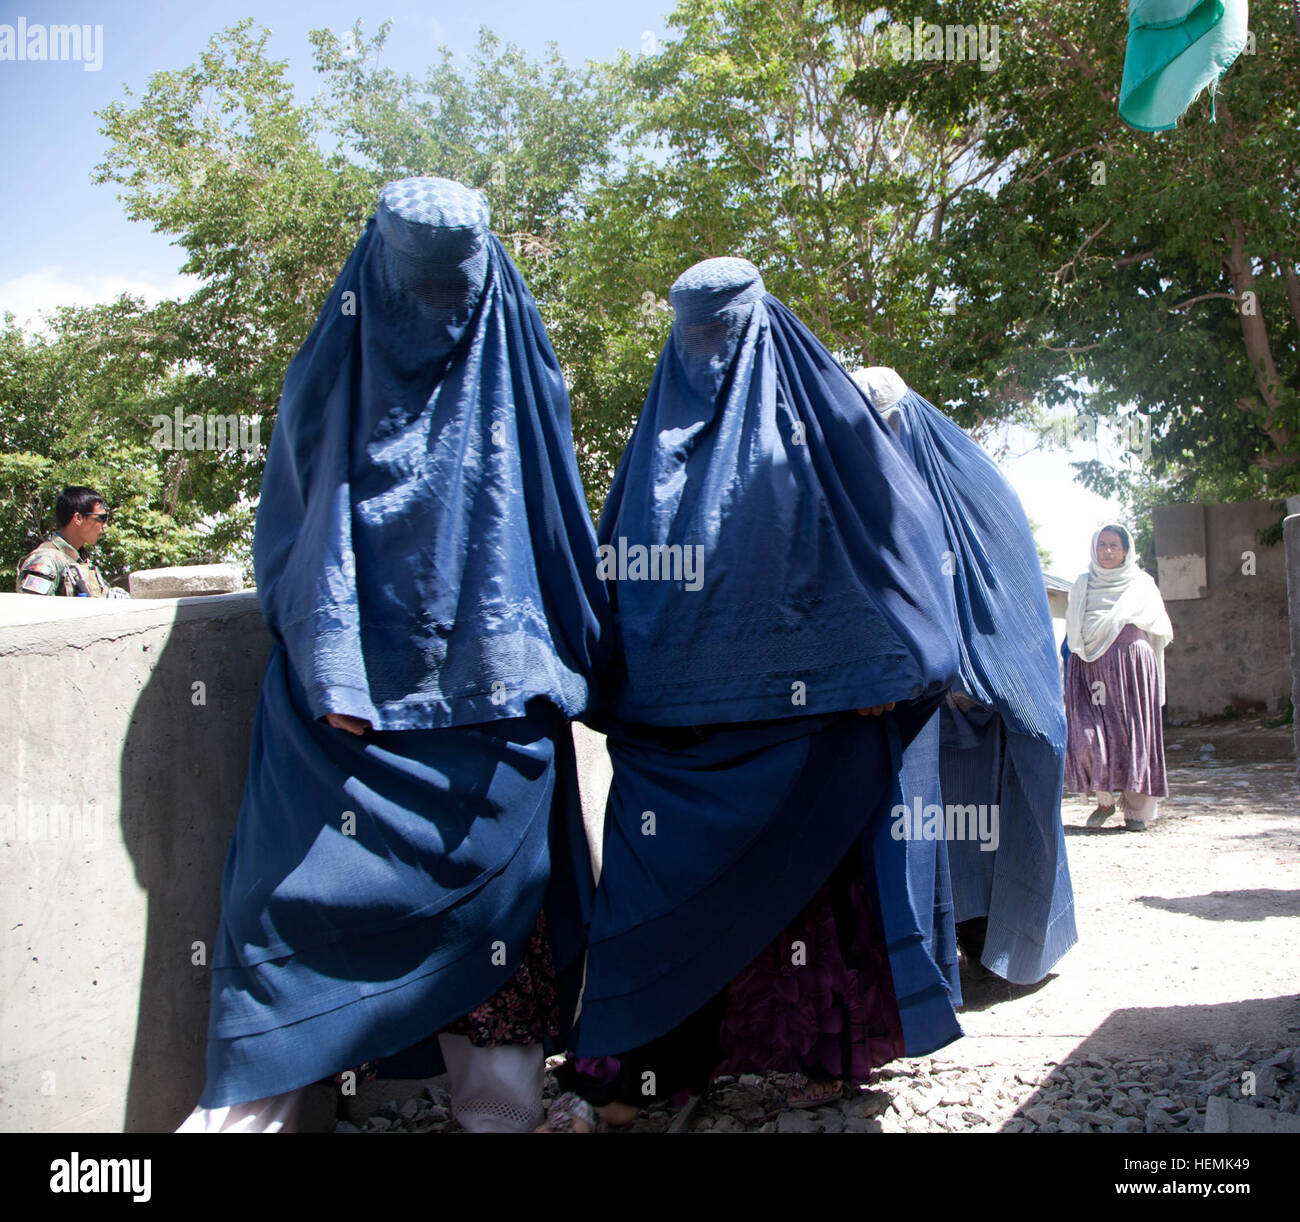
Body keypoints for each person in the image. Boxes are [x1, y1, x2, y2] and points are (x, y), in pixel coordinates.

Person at [179, 176, 609, 1132]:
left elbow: (295, 540)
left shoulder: (332, 370)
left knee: (299, 917)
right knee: (482, 932)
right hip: (479, 722)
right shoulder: (520, 374)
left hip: (361, 723)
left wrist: (339, 670)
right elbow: (563, 546)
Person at [540, 258, 964, 1131]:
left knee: (789, 892)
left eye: (720, 326)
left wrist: (884, 668)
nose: (708, 350)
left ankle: (811, 1058)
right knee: (666, 899)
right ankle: (639, 1077)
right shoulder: (659, 447)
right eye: (692, 330)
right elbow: (618, 584)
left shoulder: (823, 425)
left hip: (805, 730)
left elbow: (904, 548)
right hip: (682, 744)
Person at [849, 367, 1077, 985]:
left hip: (990, 692)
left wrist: (979, 668)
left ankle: (1011, 947)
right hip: (925, 699)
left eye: (885, 426)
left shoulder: (974, 479)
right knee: (945, 827)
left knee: (997, 816)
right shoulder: (876, 483)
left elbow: (1009, 585)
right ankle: (954, 944)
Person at [1064, 523, 1172, 831]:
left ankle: (1135, 813)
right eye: (1102, 545)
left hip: (1131, 668)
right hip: (1090, 665)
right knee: (1086, 736)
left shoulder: (1142, 583)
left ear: (1126, 550)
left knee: (1133, 735)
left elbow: (1159, 629)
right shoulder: (1083, 584)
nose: (1107, 551)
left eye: (1113, 545)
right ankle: (1104, 799)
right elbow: (1074, 630)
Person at [15, 486, 127, 597]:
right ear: (78, 518)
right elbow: (33, 609)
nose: (105, 526)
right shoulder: (46, 560)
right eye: (101, 518)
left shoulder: (83, 562)